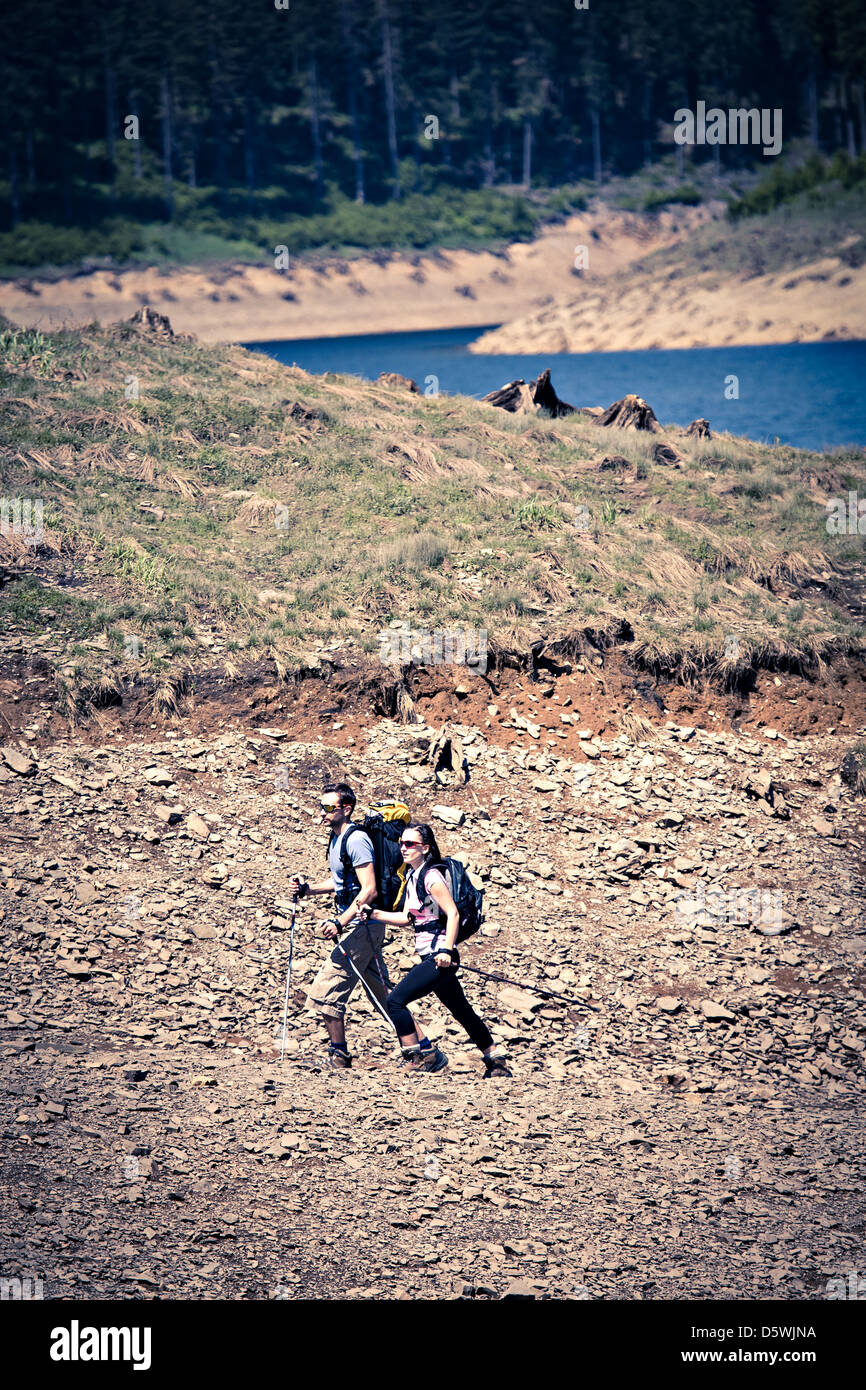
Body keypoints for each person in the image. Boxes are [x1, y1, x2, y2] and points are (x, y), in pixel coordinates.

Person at [289, 784, 425, 1070]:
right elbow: (341, 883)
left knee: (327, 988)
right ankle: (424, 1051)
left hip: (361, 925)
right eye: (322, 806)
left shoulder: (356, 839)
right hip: (359, 924)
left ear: (346, 809)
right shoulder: (336, 839)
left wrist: (341, 921)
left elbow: (370, 889)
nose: (323, 813)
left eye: (329, 808)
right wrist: (308, 889)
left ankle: (339, 1056)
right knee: (384, 995)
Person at [361, 822, 511, 1079]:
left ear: (425, 848)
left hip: (439, 955)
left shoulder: (431, 876)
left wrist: (447, 950)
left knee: (395, 1001)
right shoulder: (412, 876)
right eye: (401, 843)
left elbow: (452, 912)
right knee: (461, 1009)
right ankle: (495, 1059)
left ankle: (416, 1056)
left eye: (410, 844)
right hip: (432, 954)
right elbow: (409, 918)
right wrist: (373, 914)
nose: (403, 848)